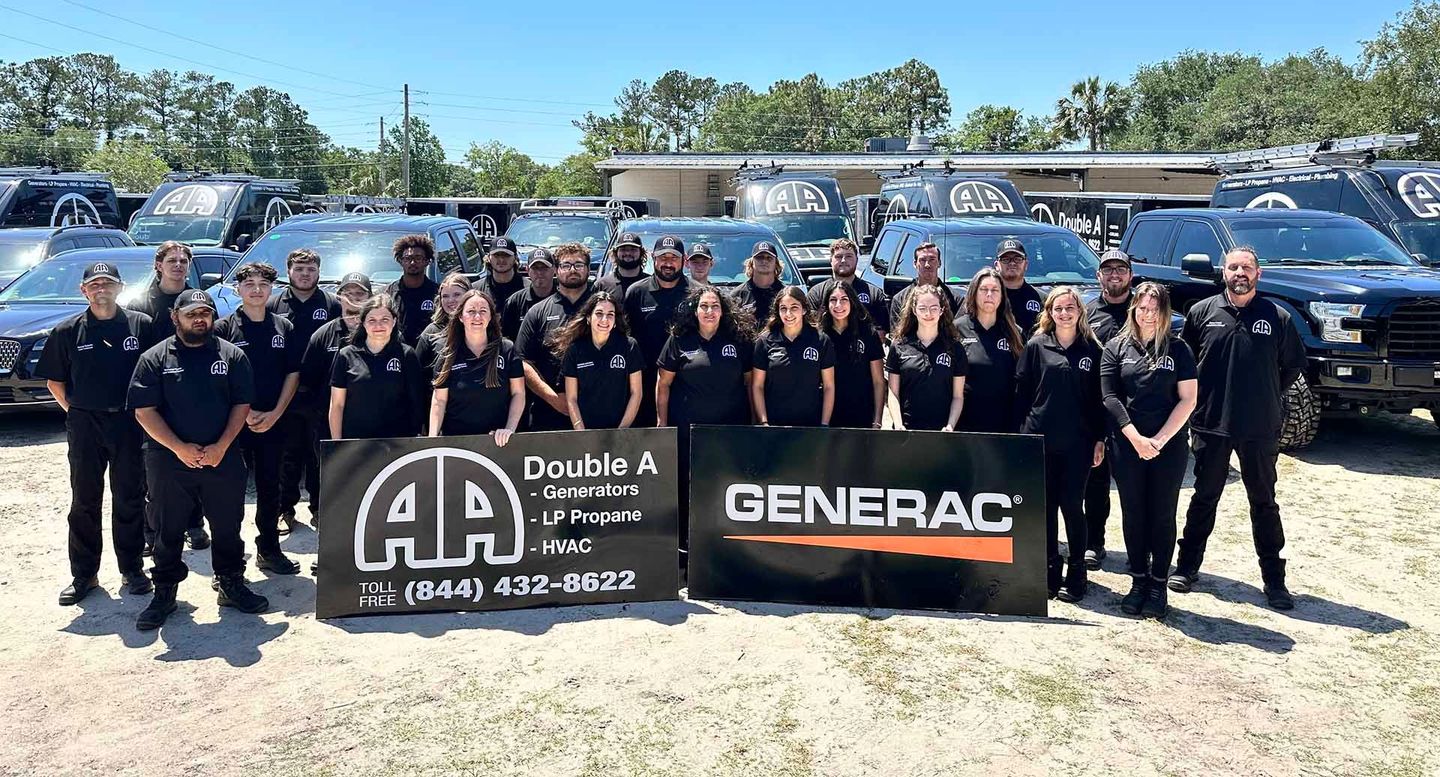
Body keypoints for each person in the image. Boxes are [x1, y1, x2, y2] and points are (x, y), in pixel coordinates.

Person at [1171, 246, 1306, 610]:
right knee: (1204, 497)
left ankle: (1274, 581)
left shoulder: (1277, 316)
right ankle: (1187, 567)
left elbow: (1290, 368)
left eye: (1247, 267)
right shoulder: (1201, 313)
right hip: (1211, 424)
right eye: (1233, 268)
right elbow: (1186, 366)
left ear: (1258, 274)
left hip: (1259, 426)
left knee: (1263, 503)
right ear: (1223, 273)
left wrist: (1264, 395)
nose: (1240, 273)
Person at [128, 289, 269, 630]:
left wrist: (222, 445)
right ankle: (164, 591)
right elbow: (144, 411)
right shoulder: (154, 358)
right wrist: (179, 447)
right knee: (167, 527)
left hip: (223, 455)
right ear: (176, 317)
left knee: (227, 524)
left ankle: (231, 582)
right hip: (169, 459)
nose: (199, 319)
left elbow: (242, 404)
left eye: (205, 313)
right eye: (191, 314)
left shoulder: (231, 355)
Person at [36, 261, 156, 605]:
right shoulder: (67, 331)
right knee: (84, 500)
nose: (101, 289)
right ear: (84, 291)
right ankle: (84, 574)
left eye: (108, 283)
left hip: (128, 423)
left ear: (120, 288)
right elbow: (55, 382)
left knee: (130, 496)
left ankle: (132, 568)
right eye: (94, 284)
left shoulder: (140, 325)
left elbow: (154, 374)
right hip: (86, 423)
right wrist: (76, 412)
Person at [1101, 282, 1197, 619]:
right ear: (1133, 310)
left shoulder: (1179, 349)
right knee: (1134, 513)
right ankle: (1138, 580)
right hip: (1127, 446)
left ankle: (1158, 585)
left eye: (1154, 309)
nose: (1148, 314)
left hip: (1167, 448)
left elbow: (1188, 399)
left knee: (1162, 513)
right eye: (1142, 308)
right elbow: (1110, 397)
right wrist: (1136, 438)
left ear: (1165, 312)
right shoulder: (1116, 347)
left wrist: (1159, 440)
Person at [1014, 286, 1106, 602]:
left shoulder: (1092, 350)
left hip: (1078, 444)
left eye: (1070, 308)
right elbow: (1022, 393)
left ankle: (1076, 571)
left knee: (1071, 506)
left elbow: (1099, 401)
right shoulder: (1037, 346)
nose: (1064, 314)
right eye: (1058, 309)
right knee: (1046, 508)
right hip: (1039, 439)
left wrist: (1099, 439)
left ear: (1079, 311)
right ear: (1049, 313)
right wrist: (1022, 435)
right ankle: (1050, 569)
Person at [213, 262, 303, 575]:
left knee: (270, 488)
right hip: (234, 425)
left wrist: (276, 412)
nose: (256, 290)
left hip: (274, 421)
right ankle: (229, 564)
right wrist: (244, 413)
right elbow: (217, 378)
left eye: (263, 284)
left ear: (272, 289)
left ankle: (269, 549)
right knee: (230, 494)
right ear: (238, 288)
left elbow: (292, 373)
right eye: (249, 284)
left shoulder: (283, 327)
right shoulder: (224, 328)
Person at [657, 286, 755, 564]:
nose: (709, 312)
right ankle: (687, 552)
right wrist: (662, 422)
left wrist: (752, 421)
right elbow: (663, 384)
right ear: (695, 310)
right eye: (704, 306)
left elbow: (749, 383)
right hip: (689, 430)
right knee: (688, 488)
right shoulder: (679, 340)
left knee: (724, 488)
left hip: (727, 431)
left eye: (715, 306)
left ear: (723, 311)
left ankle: (723, 550)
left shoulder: (737, 341)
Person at [127, 240, 206, 550]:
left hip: (192, 391)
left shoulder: (200, 300)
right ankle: (151, 528)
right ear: (158, 265)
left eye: (183, 260)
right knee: (154, 465)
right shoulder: (141, 304)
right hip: (156, 393)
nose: (178, 265)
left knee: (195, 457)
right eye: (171, 260)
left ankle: (195, 523)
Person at [267, 248, 340, 535]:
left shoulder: (332, 305)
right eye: (299, 269)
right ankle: (285, 508)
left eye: (310, 269)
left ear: (319, 272)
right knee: (287, 455)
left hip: (321, 394)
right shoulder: (274, 304)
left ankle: (320, 509)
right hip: (285, 395)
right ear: (289, 272)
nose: (305, 274)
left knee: (319, 456)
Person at [296, 271, 372, 525]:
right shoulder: (323, 334)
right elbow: (307, 379)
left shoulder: (380, 331)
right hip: (326, 419)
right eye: (348, 294)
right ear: (338, 298)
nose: (353, 299)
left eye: (360, 294)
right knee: (324, 470)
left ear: (370, 298)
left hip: (367, 420)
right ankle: (321, 512)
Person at [1081, 248, 1135, 569]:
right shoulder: (1088, 314)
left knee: (1134, 486)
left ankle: (1139, 549)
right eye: (1108, 269)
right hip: (1098, 410)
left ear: (1130, 274)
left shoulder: (1142, 311)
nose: (1114, 274)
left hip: (1136, 412)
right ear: (1099, 275)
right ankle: (1094, 543)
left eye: (1121, 269)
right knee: (1096, 482)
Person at [516, 242, 594, 432]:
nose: (572, 270)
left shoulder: (604, 309)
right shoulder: (538, 312)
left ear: (589, 269)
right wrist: (553, 399)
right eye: (566, 265)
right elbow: (522, 362)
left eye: (579, 265)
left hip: (597, 411)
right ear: (556, 271)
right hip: (549, 413)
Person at [429, 290, 524, 442]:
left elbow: (518, 394)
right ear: (460, 316)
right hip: (456, 441)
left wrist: (509, 429)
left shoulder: (506, 349)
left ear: (491, 316)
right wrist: (432, 438)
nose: (477, 317)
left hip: (496, 440)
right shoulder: (448, 354)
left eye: (483, 311)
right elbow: (439, 400)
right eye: (471, 311)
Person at [328, 294, 428, 440]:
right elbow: (337, 405)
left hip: (397, 443)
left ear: (394, 322)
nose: (378, 326)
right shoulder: (346, 355)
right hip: (356, 444)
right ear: (363, 323)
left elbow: (416, 401)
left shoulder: (406, 354)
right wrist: (336, 443)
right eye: (372, 320)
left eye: (384, 320)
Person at [623, 235, 691, 427]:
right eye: (663, 258)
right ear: (653, 258)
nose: (668, 263)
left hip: (685, 385)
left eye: (673, 258)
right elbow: (626, 339)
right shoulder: (636, 292)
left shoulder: (697, 293)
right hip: (644, 384)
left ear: (684, 260)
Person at [553, 292, 644, 430]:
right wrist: (581, 431)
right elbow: (571, 398)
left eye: (610, 315)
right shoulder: (575, 350)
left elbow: (636, 393)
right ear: (589, 317)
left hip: (621, 431)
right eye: (599, 313)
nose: (604, 319)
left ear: (615, 321)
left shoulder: (629, 346)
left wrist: (622, 431)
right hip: (586, 432)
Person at [752, 286, 835, 428]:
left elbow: (829, 386)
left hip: (811, 425)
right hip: (775, 425)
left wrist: (824, 423)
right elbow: (757, 386)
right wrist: (764, 422)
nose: (788, 313)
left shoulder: (820, 340)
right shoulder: (765, 341)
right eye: (783, 308)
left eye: (794, 307)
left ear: (804, 309)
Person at [886, 285, 965, 431]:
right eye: (922, 308)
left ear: (942, 310)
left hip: (943, 433)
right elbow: (893, 392)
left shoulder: (955, 348)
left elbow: (958, 396)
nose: (928, 313)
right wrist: (898, 424)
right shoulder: (899, 346)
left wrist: (950, 425)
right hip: (907, 431)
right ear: (914, 310)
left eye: (934, 308)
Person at [954, 268, 1024, 433]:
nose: (989, 295)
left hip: (1004, 423)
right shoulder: (957, 329)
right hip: (965, 422)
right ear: (974, 293)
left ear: (1002, 296)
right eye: (984, 290)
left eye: (995, 290)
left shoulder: (1014, 332)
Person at [819, 281, 885, 430]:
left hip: (861, 414)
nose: (838, 305)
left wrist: (878, 420)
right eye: (833, 300)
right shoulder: (820, 336)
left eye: (844, 300)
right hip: (828, 416)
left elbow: (878, 381)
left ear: (853, 302)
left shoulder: (868, 333)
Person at [806, 238, 889, 338]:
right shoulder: (816, 293)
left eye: (849, 256)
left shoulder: (873, 293)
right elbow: (810, 331)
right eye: (838, 257)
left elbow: (881, 333)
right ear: (830, 261)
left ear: (857, 260)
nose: (844, 260)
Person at [385, 234, 440, 345]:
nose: (412, 263)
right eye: (407, 258)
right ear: (400, 261)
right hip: (397, 354)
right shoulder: (389, 294)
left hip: (428, 355)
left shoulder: (438, 293)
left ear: (427, 261)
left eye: (418, 258)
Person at [889, 242, 957, 330]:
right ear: (915, 264)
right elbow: (897, 336)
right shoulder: (900, 299)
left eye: (932, 259)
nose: (927, 265)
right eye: (922, 260)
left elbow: (959, 333)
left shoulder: (955, 299)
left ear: (939, 263)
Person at [415, 273, 473, 373]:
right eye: (445, 296)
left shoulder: (481, 326)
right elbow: (416, 372)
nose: (450, 300)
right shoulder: (431, 331)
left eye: (457, 295)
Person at [729, 240, 785, 331]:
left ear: (776, 263)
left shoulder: (785, 294)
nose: (764, 261)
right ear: (751, 262)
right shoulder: (737, 295)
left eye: (769, 258)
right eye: (759, 257)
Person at [502, 247, 556, 341]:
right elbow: (506, 337)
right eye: (535, 268)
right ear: (527, 270)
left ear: (554, 270)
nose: (539, 272)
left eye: (544, 268)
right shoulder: (515, 302)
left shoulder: (564, 300)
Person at [995, 238, 1043, 336]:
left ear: (1026, 264)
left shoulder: (1041, 299)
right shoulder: (986, 296)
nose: (1012, 263)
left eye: (1017, 259)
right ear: (996, 265)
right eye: (1005, 259)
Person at [471, 236, 525, 309]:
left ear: (515, 257)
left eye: (506, 255)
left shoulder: (528, 289)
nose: (501, 259)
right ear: (489, 257)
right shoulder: (475, 290)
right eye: (496, 255)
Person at [595, 231, 650, 296]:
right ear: (616, 253)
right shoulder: (602, 285)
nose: (628, 253)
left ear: (641, 253)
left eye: (633, 249)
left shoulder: (651, 284)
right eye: (623, 249)